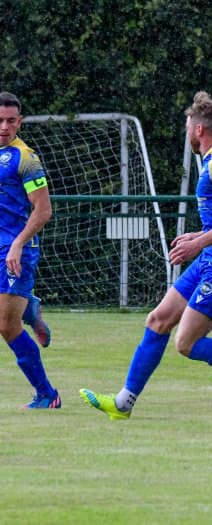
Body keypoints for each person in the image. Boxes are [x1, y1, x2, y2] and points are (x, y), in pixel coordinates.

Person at [80, 92, 212, 419]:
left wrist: (197, 244)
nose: (187, 132)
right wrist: (199, 237)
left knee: (186, 343)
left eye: (187, 127)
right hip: (211, 257)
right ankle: (123, 403)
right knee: (158, 320)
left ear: (199, 129)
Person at [0, 92, 60, 409]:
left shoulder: (26, 159)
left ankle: (47, 394)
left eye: (11, 121)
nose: (4, 127)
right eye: (0, 120)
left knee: (6, 327)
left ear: (19, 122)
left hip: (16, 250)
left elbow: (43, 210)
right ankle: (29, 309)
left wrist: (18, 243)